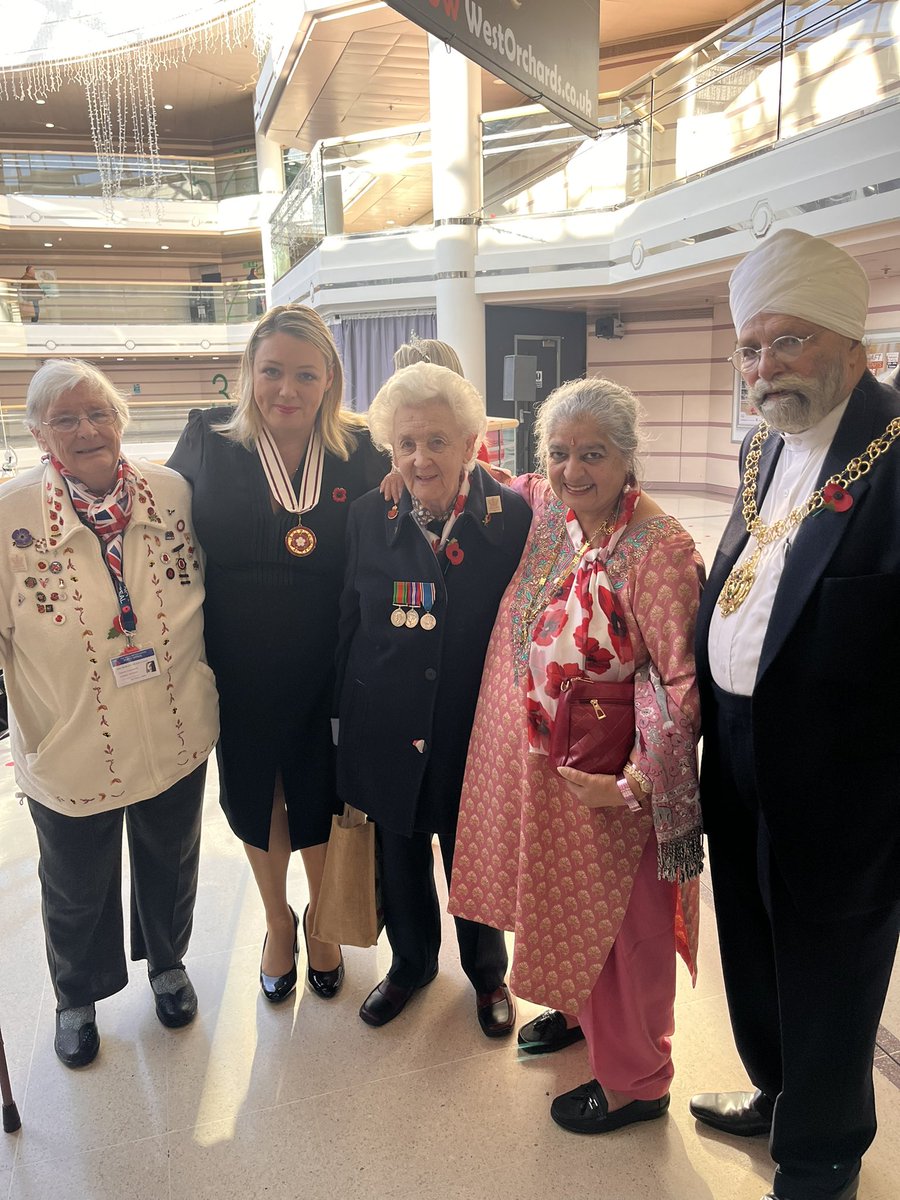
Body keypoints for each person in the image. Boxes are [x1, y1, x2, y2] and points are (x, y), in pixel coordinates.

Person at [690, 228, 900, 1200]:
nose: (763, 367)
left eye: (789, 343)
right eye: (749, 348)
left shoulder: (894, 455)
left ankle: (822, 1153)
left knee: (832, 966)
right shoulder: (759, 447)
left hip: (848, 774)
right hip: (738, 749)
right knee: (754, 937)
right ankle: (780, 1098)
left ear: (853, 345)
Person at [449, 376, 704, 1133]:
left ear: (629, 458)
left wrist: (629, 787)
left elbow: (683, 685)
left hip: (611, 790)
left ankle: (637, 1081)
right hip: (552, 774)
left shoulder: (656, 547)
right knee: (561, 909)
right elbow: (477, 467)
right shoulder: (557, 516)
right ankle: (581, 1017)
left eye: (592, 454)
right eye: (559, 454)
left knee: (627, 934)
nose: (571, 471)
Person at [0, 359, 218, 1068]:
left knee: (171, 858)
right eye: (65, 419)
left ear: (121, 418)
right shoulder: (9, 516)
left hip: (173, 722)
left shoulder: (172, 491)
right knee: (75, 883)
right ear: (37, 433)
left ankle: (167, 964)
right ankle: (77, 997)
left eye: (99, 413)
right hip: (69, 741)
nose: (87, 430)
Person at [168, 304, 387, 1005]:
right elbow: (154, 519)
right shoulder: (208, 437)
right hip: (236, 658)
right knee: (256, 792)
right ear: (248, 374)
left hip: (331, 659)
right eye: (271, 372)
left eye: (304, 374)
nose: (285, 389)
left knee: (319, 790)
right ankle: (276, 921)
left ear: (330, 380)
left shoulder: (364, 448)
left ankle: (324, 921)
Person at [336, 361, 531, 1032]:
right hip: (385, 722)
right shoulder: (369, 515)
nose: (421, 459)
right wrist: (343, 721)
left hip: (473, 727)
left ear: (472, 444)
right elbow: (348, 621)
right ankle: (411, 965)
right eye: (406, 443)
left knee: (472, 854)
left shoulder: (512, 518)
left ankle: (487, 976)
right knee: (399, 853)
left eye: (438, 441)